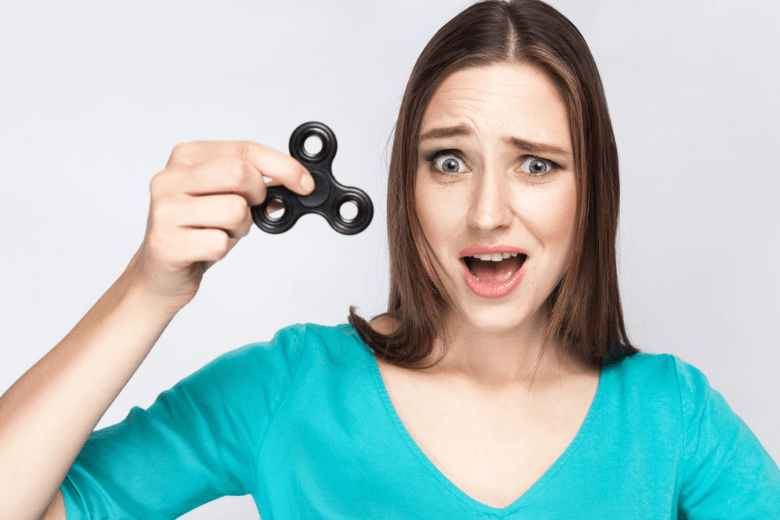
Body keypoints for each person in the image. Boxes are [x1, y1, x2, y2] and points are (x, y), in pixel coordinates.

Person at [1, 0, 778, 518]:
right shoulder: (289, 388)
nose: (486, 211)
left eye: (535, 165)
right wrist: (148, 288)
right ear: (406, 187)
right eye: (448, 162)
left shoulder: (671, 419)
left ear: (591, 192)